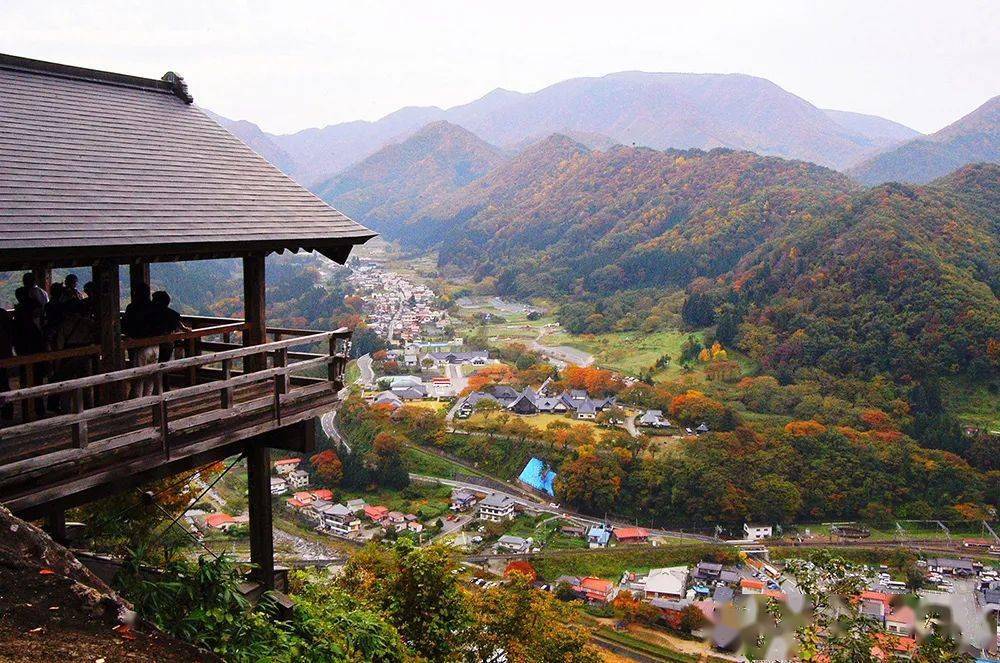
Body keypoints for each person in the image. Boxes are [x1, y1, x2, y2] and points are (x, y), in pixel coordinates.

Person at [123, 284, 158, 397]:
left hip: (139, 345)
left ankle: (137, 403)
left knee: (138, 377)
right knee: (150, 377)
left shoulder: (132, 307)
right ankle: (148, 401)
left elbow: (126, 325)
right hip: (155, 345)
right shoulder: (154, 307)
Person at [150, 290, 190, 362]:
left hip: (150, 343)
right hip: (167, 344)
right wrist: (184, 328)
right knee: (163, 365)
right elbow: (178, 322)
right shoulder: (172, 313)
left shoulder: (150, 313)